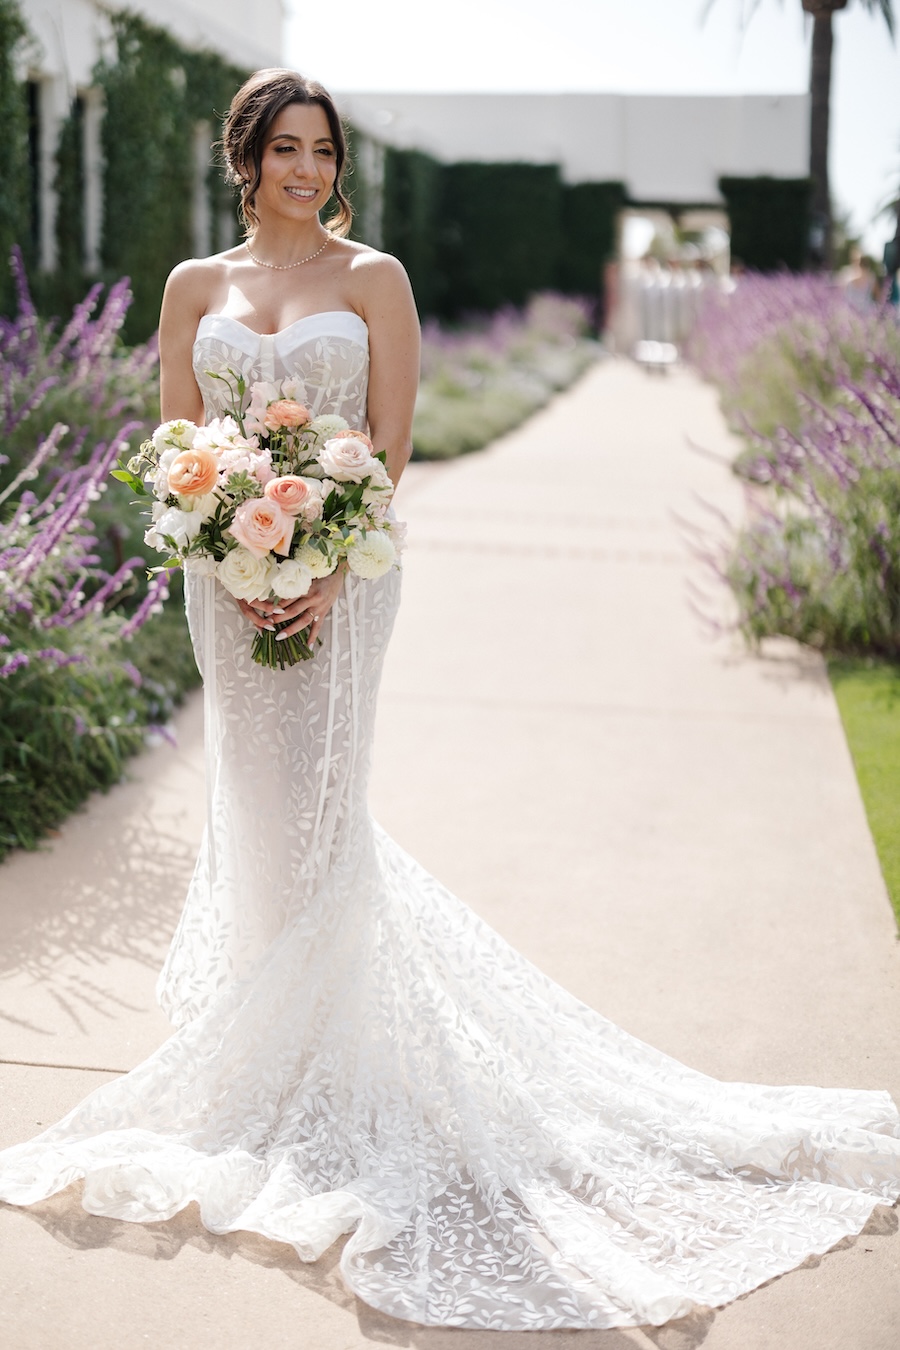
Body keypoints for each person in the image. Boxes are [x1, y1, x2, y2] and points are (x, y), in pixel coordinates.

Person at [1, 68, 899, 1333]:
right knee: (253, 812)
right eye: (285, 148)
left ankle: (327, 1072)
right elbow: (175, 445)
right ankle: (274, 1059)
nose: (306, 169)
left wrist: (318, 563)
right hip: (225, 580)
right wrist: (230, 548)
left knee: (320, 814)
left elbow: (390, 438)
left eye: (322, 149)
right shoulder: (193, 288)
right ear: (245, 159)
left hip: (346, 585)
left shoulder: (376, 279)